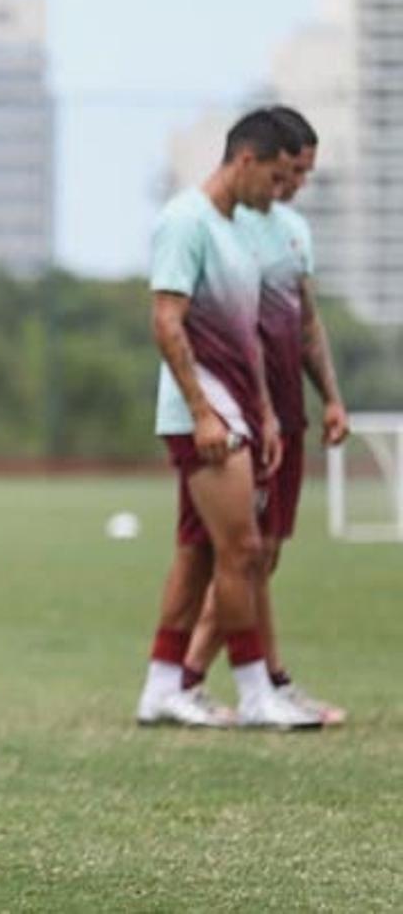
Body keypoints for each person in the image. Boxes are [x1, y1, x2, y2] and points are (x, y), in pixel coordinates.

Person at [134, 108, 322, 731]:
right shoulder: (184, 221)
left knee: (197, 554)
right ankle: (254, 692)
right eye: (274, 178)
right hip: (206, 418)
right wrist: (203, 413)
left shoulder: (234, 228)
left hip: (240, 413)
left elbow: (247, 339)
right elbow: (166, 321)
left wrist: (265, 413)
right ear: (244, 161)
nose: (279, 193)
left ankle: (162, 688)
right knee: (242, 550)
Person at [181, 105, 349, 723]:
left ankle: (212, 681)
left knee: (263, 552)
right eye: (289, 173)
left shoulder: (293, 231)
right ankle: (227, 681)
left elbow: (305, 324)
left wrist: (329, 395)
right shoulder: (227, 225)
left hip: (287, 415)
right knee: (243, 551)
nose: (293, 187)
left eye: (301, 175)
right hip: (240, 414)